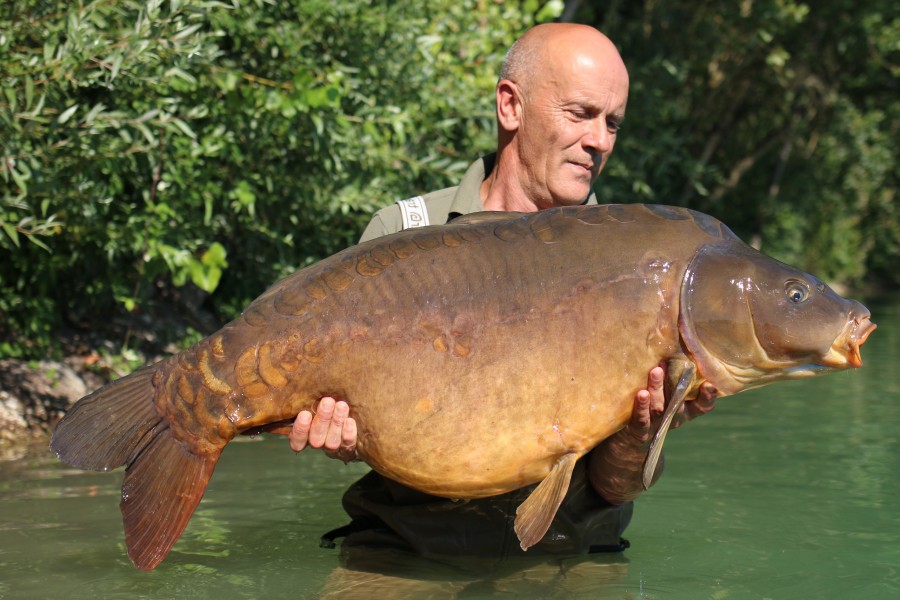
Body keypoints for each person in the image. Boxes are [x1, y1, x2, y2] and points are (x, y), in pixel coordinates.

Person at [290, 23, 717, 561]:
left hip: (571, 560)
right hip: (404, 554)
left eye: (613, 122)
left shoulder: (635, 272)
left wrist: (641, 434)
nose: (601, 140)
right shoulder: (403, 234)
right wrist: (347, 440)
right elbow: (356, 429)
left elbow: (616, 488)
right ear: (511, 106)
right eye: (581, 113)